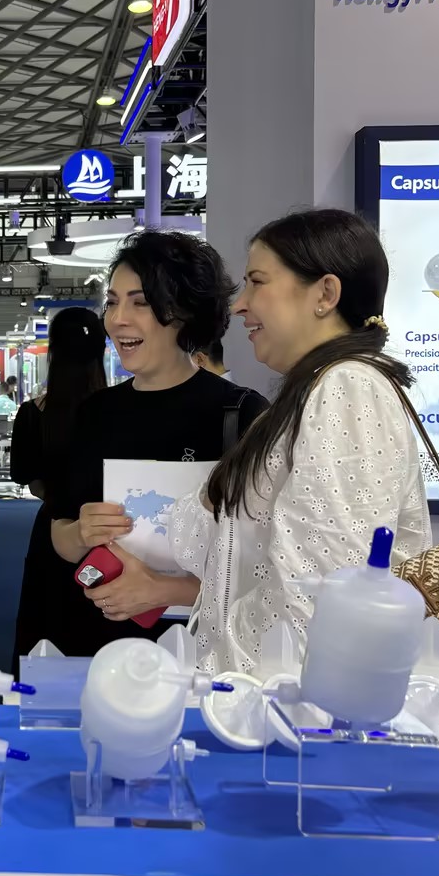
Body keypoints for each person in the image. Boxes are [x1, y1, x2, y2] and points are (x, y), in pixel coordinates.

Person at [169, 209, 432, 674]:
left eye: (257, 282)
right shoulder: (313, 392)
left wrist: (225, 670)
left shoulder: (347, 387)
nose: (240, 305)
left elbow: (323, 588)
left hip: (287, 697)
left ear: (325, 294)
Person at [50, 231, 269, 657]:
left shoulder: (240, 413)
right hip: (102, 640)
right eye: (112, 302)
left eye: (141, 303)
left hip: (203, 647)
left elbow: (265, 567)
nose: (118, 319)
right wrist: (80, 532)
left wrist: (165, 590)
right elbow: (60, 533)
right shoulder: (95, 412)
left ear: (183, 312)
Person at [9, 307, 107, 664]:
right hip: (112, 531)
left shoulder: (33, 413)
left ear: (53, 352)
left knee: (47, 623)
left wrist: (58, 496)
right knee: (104, 619)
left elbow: (28, 478)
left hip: (52, 530)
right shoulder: (117, 412)